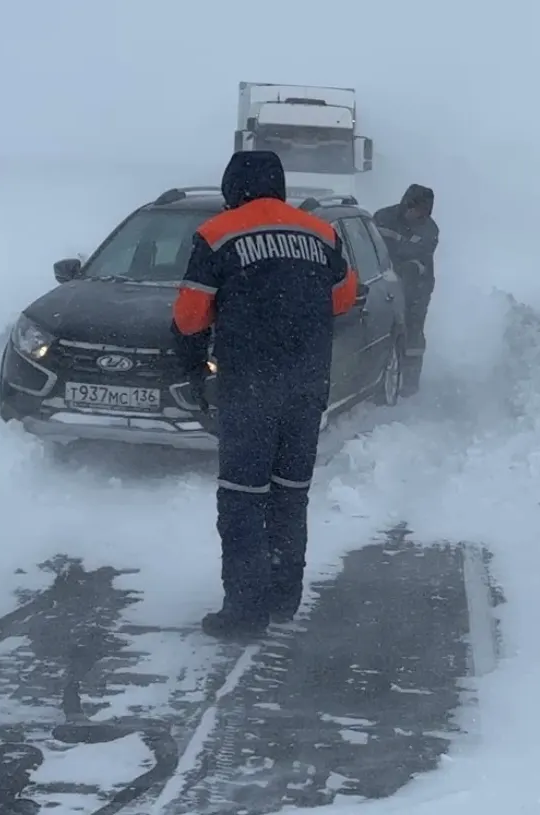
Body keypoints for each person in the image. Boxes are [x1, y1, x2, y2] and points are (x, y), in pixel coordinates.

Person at [171, 150, 358, 639]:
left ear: (233, 185)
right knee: (290, 495)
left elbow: (189, 318)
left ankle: (245, 610)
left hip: (249, 386)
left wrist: (198, 362)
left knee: (242, 498)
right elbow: (342, 298)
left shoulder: (217, 234)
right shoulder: (321, 232)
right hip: (306, 386)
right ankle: (283, 596)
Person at [373, 184, 438, 394]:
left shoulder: (430, 229)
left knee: (413, 329)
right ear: (406, 205)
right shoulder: (383, 218)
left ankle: (410, 382)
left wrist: (406, 269)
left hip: (418, 286)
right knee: (385, 327)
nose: (418, 215)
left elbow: (422, 260)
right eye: (415, 209)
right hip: (385, 281)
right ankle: (382, 375)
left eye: (423, 212)